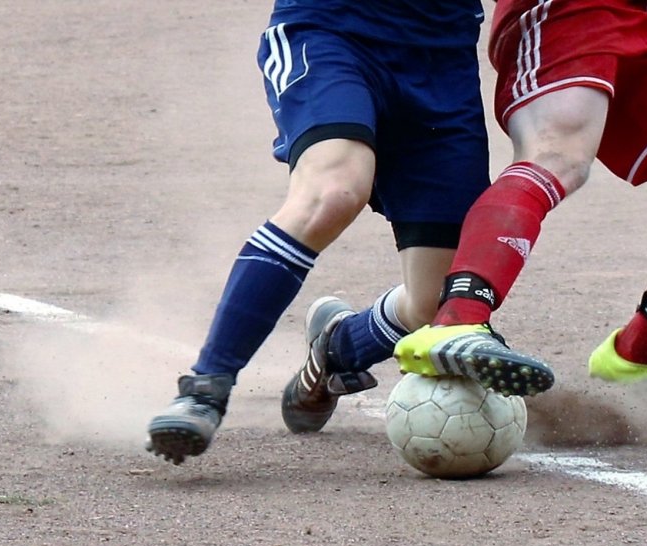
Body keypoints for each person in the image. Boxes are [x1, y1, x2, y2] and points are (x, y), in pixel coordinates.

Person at [393, 0, 647, 421]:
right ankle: (458, 321)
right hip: (563, 10)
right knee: (557, 155)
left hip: (641, 18)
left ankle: (636, 359)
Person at [146, 0, 493, 464]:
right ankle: (206, 387)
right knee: (334, 190)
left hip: (442, 61)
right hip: (333, 31)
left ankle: (340, 348)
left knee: (436, 306)